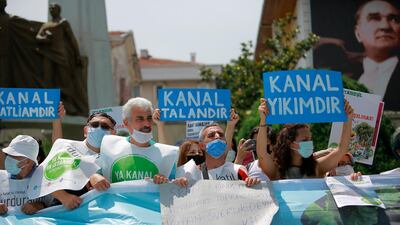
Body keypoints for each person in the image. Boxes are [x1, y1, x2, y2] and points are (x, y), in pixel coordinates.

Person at [256, 98, 354, 180]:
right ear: (290, 143)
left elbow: (342, 149)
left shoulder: (316, 168)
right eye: (304, 140)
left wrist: (348, 117)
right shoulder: (276, 171)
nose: (309, 143)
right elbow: (262, 154)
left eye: (310, 139)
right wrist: (263, 120)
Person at [98, 97, 186, 186]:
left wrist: (169, 183)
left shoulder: (167, 154)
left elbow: (173, 186)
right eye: (140, 119)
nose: (147, 124)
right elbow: (92, 175)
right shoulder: (109, 148)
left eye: (149, 118)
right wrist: (94, 177)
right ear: (126, 123)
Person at [49, 112, 116, 210]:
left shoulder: (118, 156)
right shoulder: (70, 149)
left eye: (105, 126)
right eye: (94, 125)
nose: (99, 128)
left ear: (113, 133)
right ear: (86, 130)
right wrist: (64, 197)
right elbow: (48, 176)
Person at [35, 3, 88, 116]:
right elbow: (38, 37)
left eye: (53, 8)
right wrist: (45, 38)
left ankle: (69, 105)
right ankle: (50, 104)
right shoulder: (46, 24)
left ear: (58, 10)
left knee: (64, 81)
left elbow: (72, 39)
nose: (51, 10)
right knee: (48, 79)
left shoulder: (63, 22)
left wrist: (77, 55)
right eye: (50, 8)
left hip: (61, 54)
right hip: (48, 54)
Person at [353, 0, 400, 110]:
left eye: (394, 19)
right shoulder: (342, 79)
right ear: (358, 33)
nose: (385, 26)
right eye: (374, 18)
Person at [0, 135, 51, 215]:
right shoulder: (1, 177)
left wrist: (40, 205)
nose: (10, 158)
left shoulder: (45, 178)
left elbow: (59, 207)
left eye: (16, 156)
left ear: (30, 161)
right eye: (9, 154)